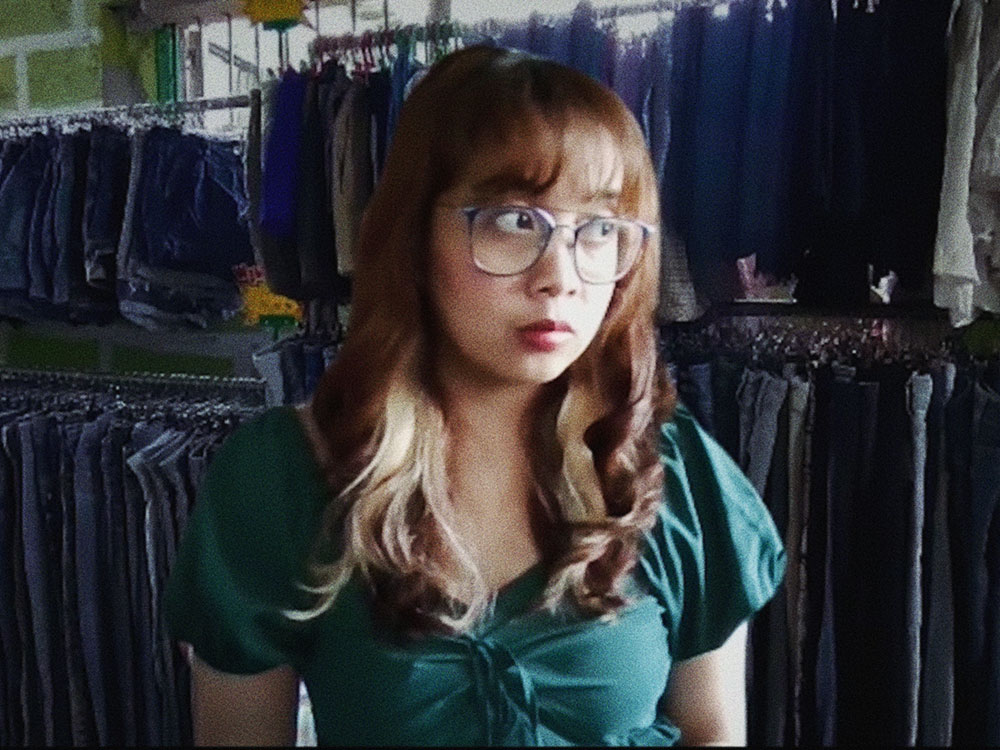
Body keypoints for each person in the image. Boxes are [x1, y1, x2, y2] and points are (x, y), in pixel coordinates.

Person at [163, 44, 786, 746]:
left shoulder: (673, 474)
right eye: (515, 220)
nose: (560, 276)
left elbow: (712, 733)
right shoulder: (283, 479)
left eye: (599, 229)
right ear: (414, 237)